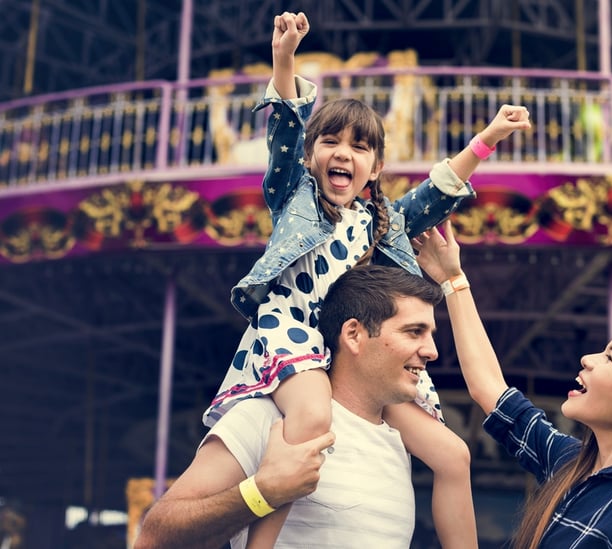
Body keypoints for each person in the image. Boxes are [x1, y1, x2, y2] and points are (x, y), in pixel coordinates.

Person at [201, 10, 530, 548]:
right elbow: (285, 123)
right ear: (311, 158)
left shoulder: (381, 220)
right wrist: (284, 59)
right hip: (296, 335)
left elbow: (440, 188)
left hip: (356, 349)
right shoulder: (296, 200)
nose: (343, 154)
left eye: (359, 148)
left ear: (375, 167)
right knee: (308, 418)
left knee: (454, 454)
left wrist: (488, 138)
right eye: (331, 142)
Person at [413, 219, 612, 548]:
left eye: (610, 357)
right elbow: (488, 387)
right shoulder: (570, 464)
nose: (587, 359)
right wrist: (452, 280)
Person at [134, 264, 459, 549]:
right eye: (414, 332)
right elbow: (153, 538)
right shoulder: (270, 417)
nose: (432, 351)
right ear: (354, 335)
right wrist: (261, 492)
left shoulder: (399, 441)